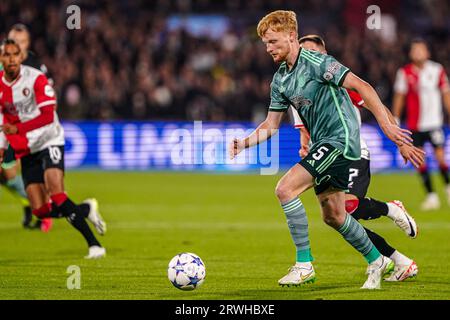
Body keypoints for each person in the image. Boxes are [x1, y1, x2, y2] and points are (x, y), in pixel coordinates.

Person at [230, 11, 425, 289]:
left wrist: (388, 127)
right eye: (265, 44)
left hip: (340, 140)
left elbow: (362, 86)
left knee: (285, 189)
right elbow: (271, 124)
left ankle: (304, 265)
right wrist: (245, 142)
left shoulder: (317, 62)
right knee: (334, 215)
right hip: (323, 143)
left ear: (290, 36)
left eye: (272, 41)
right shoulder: (280, 80)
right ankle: (378, 259)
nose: (268, 48)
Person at [293, 34, 421, 281]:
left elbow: (378, 107)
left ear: (324, 55)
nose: (305, 56)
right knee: (336, 218)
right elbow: (303, 126)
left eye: (311, 51)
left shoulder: (335, 81)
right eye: (302, 51)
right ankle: (398, 261)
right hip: (324, 157)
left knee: (347, 208)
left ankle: (389, 209)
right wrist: (304, 145)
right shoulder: (295, 85)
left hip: (351, 151)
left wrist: (400, 142)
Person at [0, 39, 106, 259]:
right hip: (27, 149)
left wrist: (17, 128)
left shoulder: (35, 79)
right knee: (40, 210)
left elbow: (48, 116)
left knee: (57, 194)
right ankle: (85, 209)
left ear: (21, 57)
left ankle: (95, 246)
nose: (11, 59)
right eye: (6, 55)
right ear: (1, 59)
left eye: (14, 54)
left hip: (49, 140)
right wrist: (2, 149)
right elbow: (2, 122)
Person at [0, 23, 54, 231]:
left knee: (15, 172)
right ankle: (32, 203)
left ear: (28, 44)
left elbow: (48, 97)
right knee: (6, 174)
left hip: (25, 128)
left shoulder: (35, 68)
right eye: (14, 40)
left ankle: (42, 208)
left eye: (22, 42)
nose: (18, 46)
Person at [393, 38, 450, 210]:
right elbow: (399, 97)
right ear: (411, 53)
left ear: (427, 52)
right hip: (414, 125)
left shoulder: (437, 69)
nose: (418, 53)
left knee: (440, 157)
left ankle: (448, 188)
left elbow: (445, 94)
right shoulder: (404, 72)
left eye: (421, 49)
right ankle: (431, 196)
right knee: (420, 161)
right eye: (415, 50)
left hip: (434, 123)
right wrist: (395, 119)